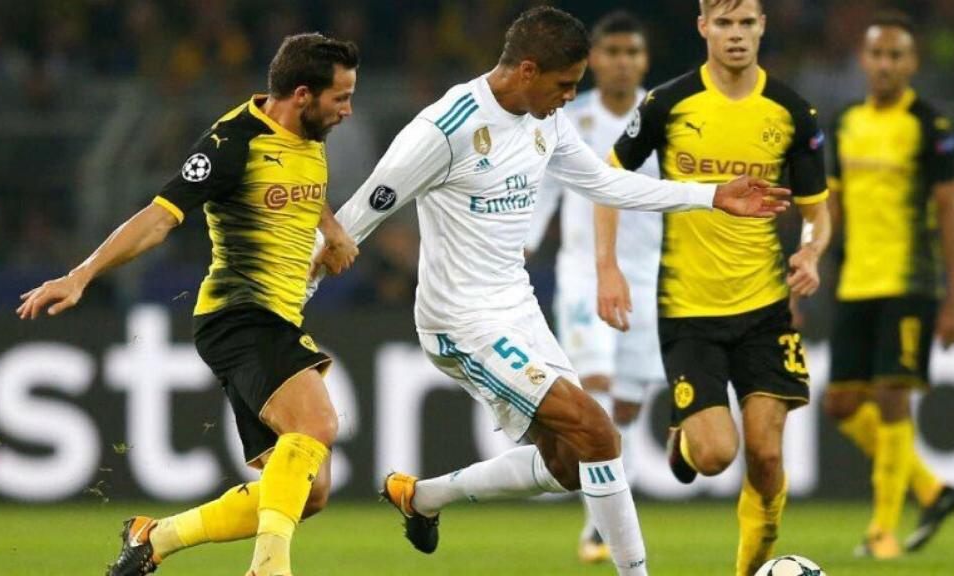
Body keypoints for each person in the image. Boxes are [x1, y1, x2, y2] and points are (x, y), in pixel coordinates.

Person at [313, 7, 790, 576]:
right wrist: (297, 290)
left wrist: (710, 196)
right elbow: (363, 209)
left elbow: (604, 182)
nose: (570, 97)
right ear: (528, 70)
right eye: (564, 85)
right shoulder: (446, 128)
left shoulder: (545, 118)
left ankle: (421, 497)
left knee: (568, 464)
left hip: (518, 310)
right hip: (461, 322)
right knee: (598, 432)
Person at [17, 33, 361, 576]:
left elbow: (300, 186)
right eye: (340, 98)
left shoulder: (309, 136)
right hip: (240, 314)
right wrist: (81, 274)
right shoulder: (232, 143)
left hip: (274, 316)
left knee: (309, 492)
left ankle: (154, 538)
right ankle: (269, 569)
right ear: (302, 94)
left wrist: (332, 228)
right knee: (317, 424)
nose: (347, 110)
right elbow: (159, 217)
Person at [598, 0, 831, 574]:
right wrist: (608, 266)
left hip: (765, 306)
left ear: (761, 28)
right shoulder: (667, 104)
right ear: (703, 27)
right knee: (715, 457)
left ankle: (749, 570)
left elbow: (816, 209)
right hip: (688, 309)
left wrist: (811, 249)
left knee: (768, 454)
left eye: (745, 23)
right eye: (723, 23)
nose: (735, 35)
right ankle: (686, 435)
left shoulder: (793, 111)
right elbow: (608, 178)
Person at [823, 11, 954, 560]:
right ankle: (931, 490)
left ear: (912, 63)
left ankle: (882, 530)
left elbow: (950, 212)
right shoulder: (845, 123)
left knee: (890, 396)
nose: (885, 65)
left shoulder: (930, 126)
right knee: (839, 405)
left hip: (911, 283)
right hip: (855, 281)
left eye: (896, 56)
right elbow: (831, 206)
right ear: (864, 60)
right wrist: (813, 263)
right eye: (877, 55)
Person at [523, 10, 661, 565]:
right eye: (613, 52)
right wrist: (523, 247)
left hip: (649, 276)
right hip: (583, 274)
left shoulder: (663, 115)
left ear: (643, 60)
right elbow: (546, 194)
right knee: (595, 386)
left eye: (632, 52)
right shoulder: (568, 119)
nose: (622, 62)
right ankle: (598, 527)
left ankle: (600, 505)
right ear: (594, 60)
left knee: (624, 406)